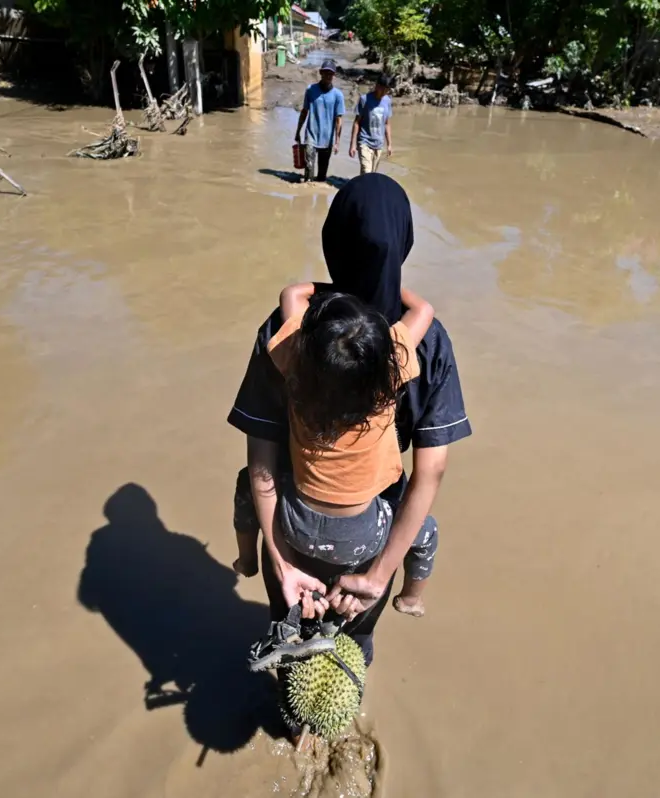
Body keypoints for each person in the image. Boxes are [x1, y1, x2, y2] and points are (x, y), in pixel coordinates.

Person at [227, 173, 472, 666]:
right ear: (403, 242)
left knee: (289, 638)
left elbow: (261, 458)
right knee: (354, 647)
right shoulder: (417, 344)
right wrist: (382, 574)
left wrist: (280, 558)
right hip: (375, 536)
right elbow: (431, 471)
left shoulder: (291, 335)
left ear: (331, 239)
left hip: (289, 524)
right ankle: (408, 601)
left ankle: (295, 726)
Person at [233, 281, 437, 618]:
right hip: (363, 536)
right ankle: (411, 598)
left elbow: (292, 295)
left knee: (247, 484)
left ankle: (247, 560)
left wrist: (332, 285)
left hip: (293, 524)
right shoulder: (386, 380)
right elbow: (424, 310)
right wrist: (379, 281)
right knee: (425, 530)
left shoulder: (296, 367)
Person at [294, 60, 345, 183]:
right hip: (311, 136)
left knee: (322, 177)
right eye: (326, 72)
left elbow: (339, 120)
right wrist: (298, 131)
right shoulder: (311, 90)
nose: (328, 76)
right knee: (308, 175)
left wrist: (337, 142)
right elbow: (304, 111)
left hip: (327, 140)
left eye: (331, 74)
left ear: (334, 75)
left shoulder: (338, 95)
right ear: (321, 73)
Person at [348, 75, 393, 175]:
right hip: (365, 141)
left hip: (379, 144)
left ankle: (361, 188)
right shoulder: (365, 100)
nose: (383, 92)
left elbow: (387, 124)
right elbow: (356, 123)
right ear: (377, 86)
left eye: (386, 90)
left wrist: (389, 144)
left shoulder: (387, 101)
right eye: (382, 89)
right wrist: (353, 144)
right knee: (366, 171)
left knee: (371, 175)